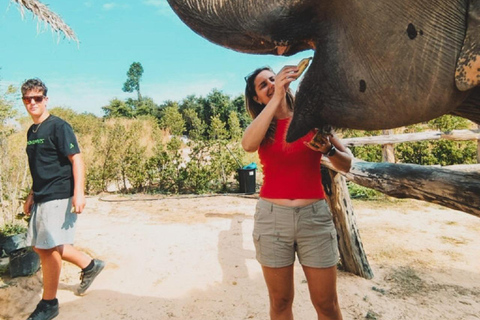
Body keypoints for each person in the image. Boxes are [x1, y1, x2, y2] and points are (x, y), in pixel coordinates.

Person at [242, 65, 352, 320]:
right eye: (264, 85)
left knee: (326, 304)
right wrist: (277, 97)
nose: (271, 84)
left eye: (273, 78)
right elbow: (247, 144)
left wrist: (329, 151)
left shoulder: (311, 117)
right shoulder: (263, 126)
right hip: (272, 221)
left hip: (314, 219)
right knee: (280, 302)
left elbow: (347, 163)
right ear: (257, 99)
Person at [21, 78, 105, 320]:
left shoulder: (59, 126)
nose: (32, 103)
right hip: (42, 194)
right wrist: (31, 195)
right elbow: (39, 166)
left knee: (46, 248)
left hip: (60, 193)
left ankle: (49, 304)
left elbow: (76, 159)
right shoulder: (32, 131)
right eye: (28, 99)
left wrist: (79, 192)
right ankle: (90, 266)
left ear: (46, 99)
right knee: (45, 244)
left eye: (37, 98)